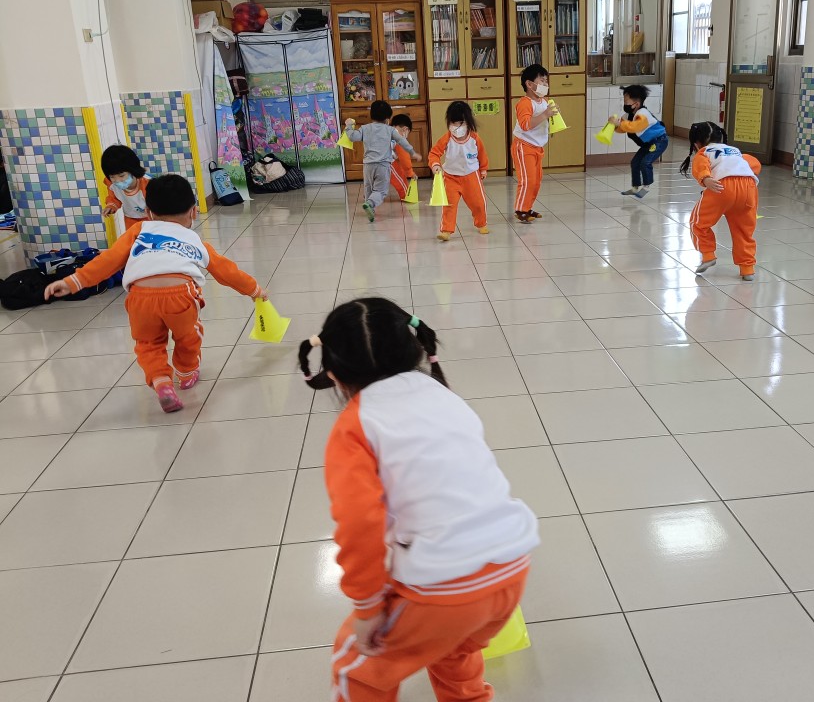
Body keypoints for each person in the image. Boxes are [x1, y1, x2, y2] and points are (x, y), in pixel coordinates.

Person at [298, 297, 539, 702]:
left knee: (358, 668)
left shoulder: (354, 426)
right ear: (416, 351)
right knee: (453, 650)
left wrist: (367, 608)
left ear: (334, 376)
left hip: (444, 586)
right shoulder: (443, 395)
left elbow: (359, 522)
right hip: (511, 568)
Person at [43, 174, 266, 413]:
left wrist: (72, 282)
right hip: (181, 295)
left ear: (148, 212)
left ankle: (161, 381)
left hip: (140, 296)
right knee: (188, 336)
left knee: (148, 343)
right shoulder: (194, 240)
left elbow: (108, 261)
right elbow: (226, 271)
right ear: (193, 212)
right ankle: (187, 373)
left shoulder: (138, 230)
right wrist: (254, 290)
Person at [681, 121, 761, 281]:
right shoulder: (735, 151)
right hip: (749, 188)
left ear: (696, 144)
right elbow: (754, 163)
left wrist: (705, 178)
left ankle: (708, 255)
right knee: (744, 230)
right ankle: (747, 268)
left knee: (698, 223)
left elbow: (701, 165)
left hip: (721, 187)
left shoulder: (704, 152)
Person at [343, 101, 422, 222]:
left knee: (368, 188)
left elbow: (353, 137)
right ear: (387, 119)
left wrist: (348, 126)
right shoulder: (390, 130)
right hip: (383, 165)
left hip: (368, 166)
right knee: (380, 190)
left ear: (371, 115)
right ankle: (370, 204)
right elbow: (402, 141)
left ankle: (370, 207)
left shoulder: (365, 128)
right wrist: (413, 152)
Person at [428, 101, 490, 242]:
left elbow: (482, 155)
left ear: (468, 122)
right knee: (449, 205)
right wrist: (436, 165)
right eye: (453, 123)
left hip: (471, 175)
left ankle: (481, 223)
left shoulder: (474, 138)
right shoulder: (447, 138)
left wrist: (483, 169)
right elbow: (434, 153)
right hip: (450, 177)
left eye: (460, 123)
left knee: (478, 203)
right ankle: (446, 230)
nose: (456, 127)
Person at [511, 63, 557, 224]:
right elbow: (525, 125)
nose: (545, 84)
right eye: (542, 81)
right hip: (523, 146)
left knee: (536, 181)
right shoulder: (525, 103)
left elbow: (546, 121)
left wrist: (552, 123)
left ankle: (527, 207)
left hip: (537, 147)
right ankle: (520, 210)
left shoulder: (544, 101)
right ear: (529, 84)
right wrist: (545, 114)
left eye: (546, 81)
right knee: (528, 180)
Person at [609, 84, 669, 199]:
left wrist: (619, 123)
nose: (624, 104)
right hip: (648, 143)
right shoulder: (628, 115)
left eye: (626, 102)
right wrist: (614, 125)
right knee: (635, 162)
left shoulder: (643, 114)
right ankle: (635, 187)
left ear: (636, 104)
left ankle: (646, 186)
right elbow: (623, 128)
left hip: (659, 141)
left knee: (645, 162)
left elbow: (634, 127)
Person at [100, 144, 150, 229]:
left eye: (121, 175)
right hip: (130, 218)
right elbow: (114, 198)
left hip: (152, 218)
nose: (117, 180)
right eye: (112, 176)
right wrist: (111, 206)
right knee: (132, 237)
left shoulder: (148, 183)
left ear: (133, 170)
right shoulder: (111, 184)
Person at [388, 113, 416, 203]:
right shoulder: (399, 137)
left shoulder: (386, 131)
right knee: (400, 178)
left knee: (376, 182)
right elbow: (404, 157)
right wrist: (410, 172)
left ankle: (370, 197)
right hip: (386, 162)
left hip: (370, 162)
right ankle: (406, 195)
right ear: (405, 129)